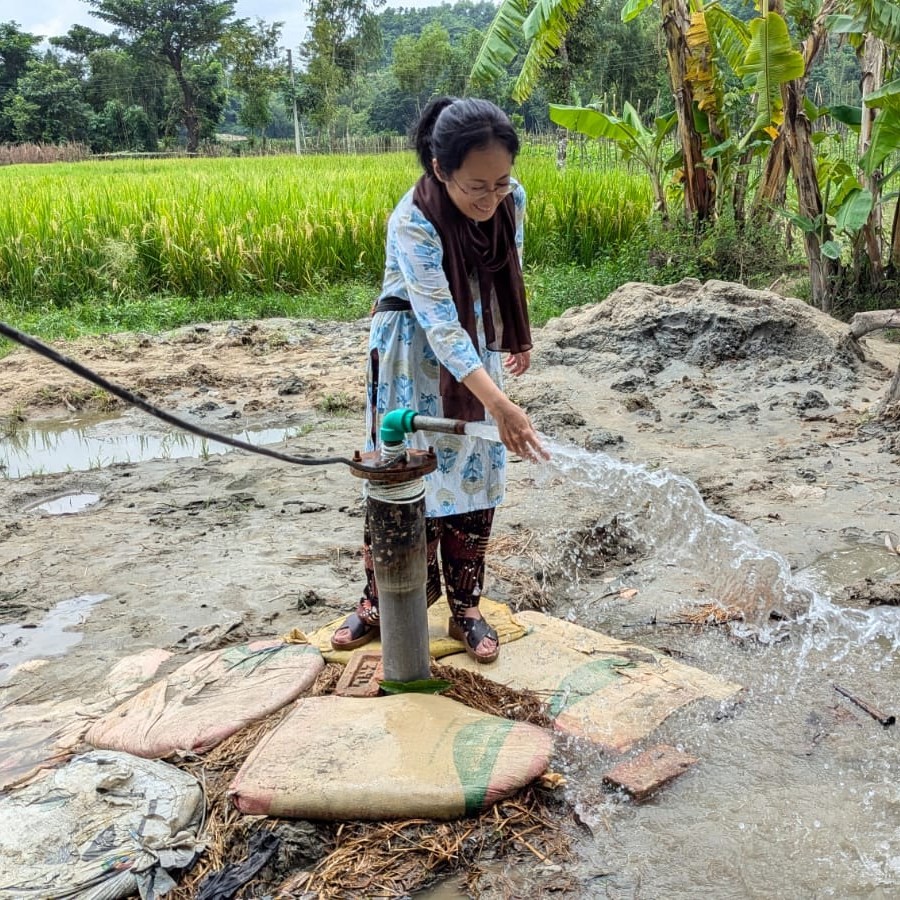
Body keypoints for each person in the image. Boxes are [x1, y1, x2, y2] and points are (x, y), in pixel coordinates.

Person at [331, 96, 548, 664]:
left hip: (474, 346)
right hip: (412, 352)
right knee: (400, 477)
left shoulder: (511, 199)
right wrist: (499, 404)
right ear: (439, 170)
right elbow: (437, 320)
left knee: (476, 475)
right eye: (476, 186)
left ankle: (466, 609)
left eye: (501, 181)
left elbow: (507, 268)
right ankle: (381, 601)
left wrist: (512, 336)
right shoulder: (413, 220)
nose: (491, 197)